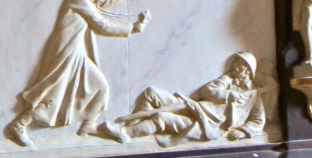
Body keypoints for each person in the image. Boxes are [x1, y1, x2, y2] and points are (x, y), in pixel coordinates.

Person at [6, 0, 149, 146]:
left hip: (77, 53)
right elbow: (102, 26)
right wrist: (132, 28)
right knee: (52, 93)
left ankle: (89, 124)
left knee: (100, 86)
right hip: (64, 53)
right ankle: (19, 124)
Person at [104, 51, 267, 147]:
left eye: (237, 65)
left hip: (207, 125)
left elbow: (258, 122)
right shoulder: (228, 80)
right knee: (151, 93)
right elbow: (206, 91)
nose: (233, 67)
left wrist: (243, 131)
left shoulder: (253, 94)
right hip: (196, 107)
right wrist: (228, 93)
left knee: (161, 118)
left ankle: (125, 133)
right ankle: (133, 126)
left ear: (247, 70)